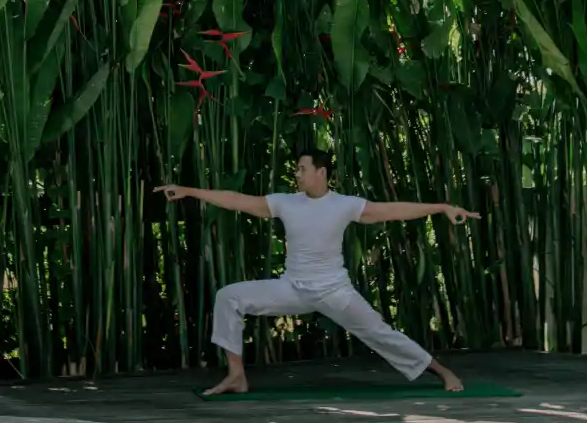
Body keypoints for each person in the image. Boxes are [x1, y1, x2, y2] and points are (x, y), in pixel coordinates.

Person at [157, 147, 478, 396]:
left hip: (335, 292)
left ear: (321, 172)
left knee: (381, 334)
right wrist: (190, 190)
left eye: (302, 169)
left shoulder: (345, 204)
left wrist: (441, 207)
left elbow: (393, 211)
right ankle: (236, 375)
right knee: (229, 296)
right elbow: (238, 200)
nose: (297, 174)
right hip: (293, 289)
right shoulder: (285, 202)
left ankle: (442, 371)